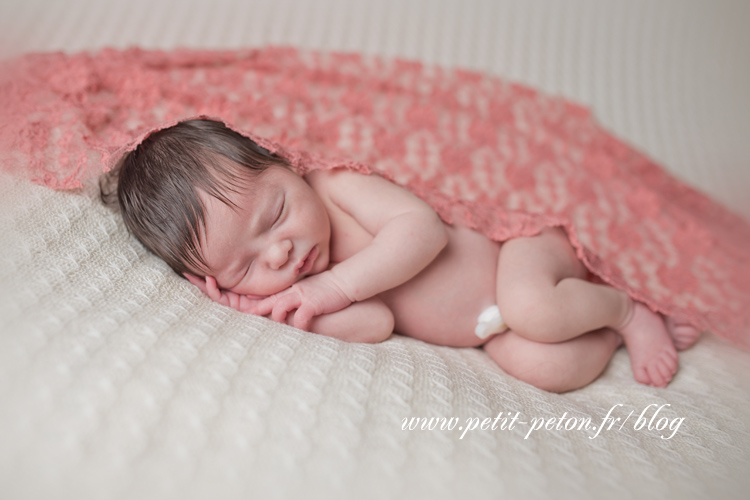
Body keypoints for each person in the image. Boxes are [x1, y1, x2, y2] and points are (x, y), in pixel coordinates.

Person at [107, 118, 701, 393]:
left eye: (275, 214)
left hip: (518, 251)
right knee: (548, 368)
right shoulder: (301, 286)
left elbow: (422, 231)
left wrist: (331, 287)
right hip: (484, 328)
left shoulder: (337, 188)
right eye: (245, 267)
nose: (281, 252)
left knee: (534, 309)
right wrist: (268, 308)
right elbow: (377, 322)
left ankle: (626, 308)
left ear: (283, 163)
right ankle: (606, 325)